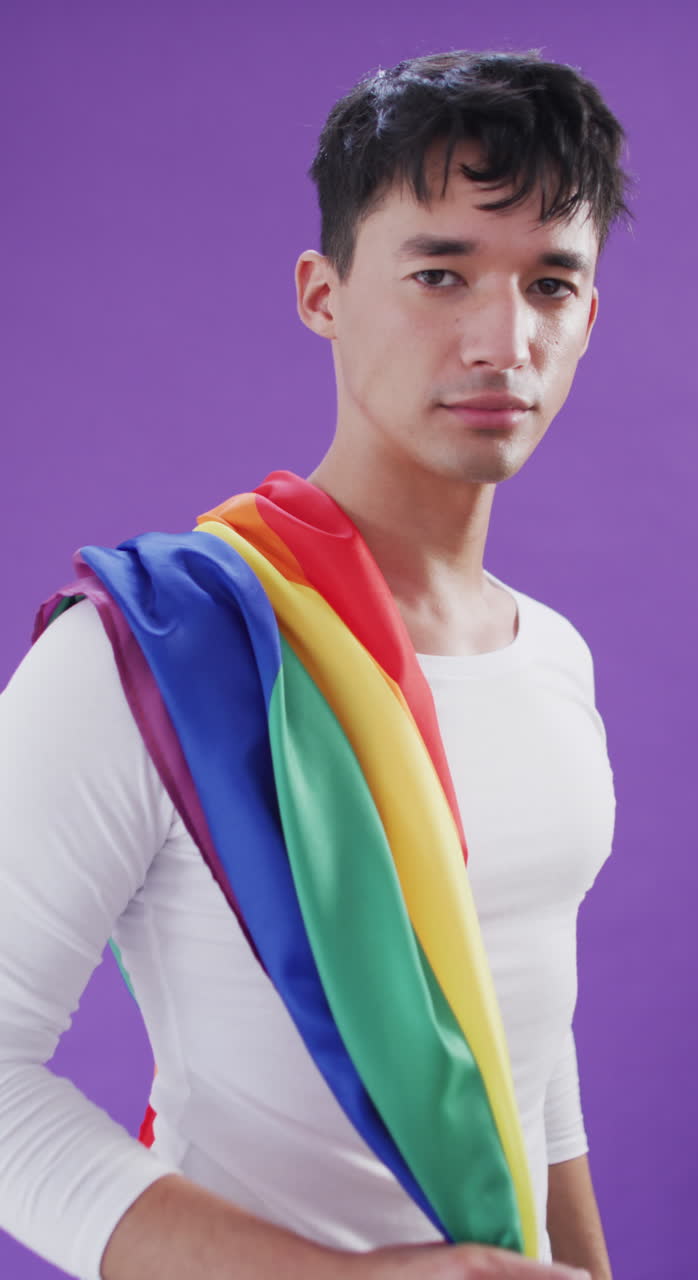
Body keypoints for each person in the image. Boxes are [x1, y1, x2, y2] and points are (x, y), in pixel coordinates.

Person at [0, 49, 629, 1280]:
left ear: (589, 316)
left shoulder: (554, 658)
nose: (504, 339)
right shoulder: (152, 652)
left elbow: (521, 1052)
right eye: (440, 273)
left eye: (551, 284)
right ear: (322, 292)